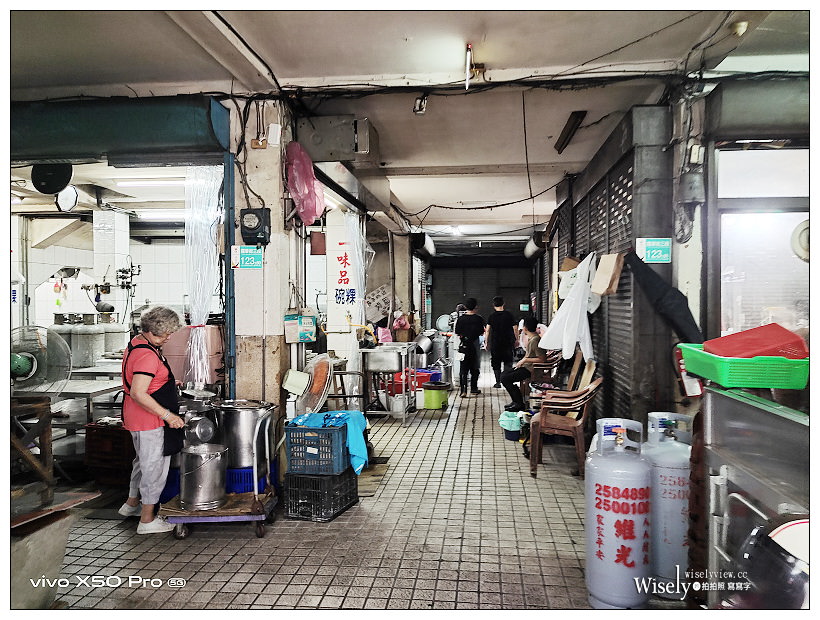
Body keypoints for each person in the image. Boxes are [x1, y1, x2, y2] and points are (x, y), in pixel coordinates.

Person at [118, 306, 185, 534]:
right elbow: (139, 392)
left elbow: (145, 381)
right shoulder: (147, 355)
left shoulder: (137, 343)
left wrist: (168, 383)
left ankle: (132, 504)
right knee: (153, 467)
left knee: (141, 462)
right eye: (167, 333)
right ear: (157, 330)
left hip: (135, 417)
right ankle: (147, 521)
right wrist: (168, 416)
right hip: (149, 420)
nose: (169, 337)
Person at [500, 316, 549, 412]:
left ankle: (518, 403)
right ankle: (516, 401)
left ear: (525, 328)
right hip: (527, 367)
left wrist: (525, 360)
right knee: (504, 375)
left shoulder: (535, 340)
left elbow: (542, 359)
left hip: (531, 370)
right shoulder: (533, 339)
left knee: (505, 378)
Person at [454, 297, 486, 396]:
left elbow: (457, 332)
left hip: (464, 345)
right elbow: (481, 332)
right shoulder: (479, 318)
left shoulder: (461, 319)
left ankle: (463, 391)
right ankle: (474, 388)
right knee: (475, 368)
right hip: (475, 345)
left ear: (465, 307)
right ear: (476, 307)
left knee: (463, 369)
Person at [484, 296, 518, 388]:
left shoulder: (491, 316)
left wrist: (486, 342)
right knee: (508, 361)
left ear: (493, 305)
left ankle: (498, 382)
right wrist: (517, 340)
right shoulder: (509, 315)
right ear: (504, 303)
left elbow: (487, 330)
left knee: (496, 362)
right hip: (508, 342)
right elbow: (515, 329)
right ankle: (507, 381)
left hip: (496, 343)